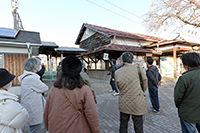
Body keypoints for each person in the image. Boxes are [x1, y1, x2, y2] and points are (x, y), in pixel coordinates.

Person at [44, 55, 100, 133]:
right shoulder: (84, 89)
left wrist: (49, 127)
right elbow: (92, 114)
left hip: (56, 128)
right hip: (78, 128)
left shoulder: (54, 89)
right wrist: (96, 131)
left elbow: (47, 111)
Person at [115, 52, 148, 133]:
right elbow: (145, 84)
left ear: (122, 60)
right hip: (137, 101)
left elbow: (118, 87)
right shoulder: (140, 70)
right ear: (132, 60)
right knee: (138, 125)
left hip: (124, 101)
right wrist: (140, 91)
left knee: (123, 125)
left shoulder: (117, 72)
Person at [18, 57, 48, 133]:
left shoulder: (26, 77)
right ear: (35, 67)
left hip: (29, 105)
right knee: (35, 129)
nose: (40, 66)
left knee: (33, 128)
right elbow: (45, 88)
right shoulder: (32, 78)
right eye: (39, 64)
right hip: (34, 107)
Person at [174, 52, 200, 133]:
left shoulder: (184, 78)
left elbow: (178, 97)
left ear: (187, 64)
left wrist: (180, 107)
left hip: (188, 113)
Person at [0, 68, 29, 133]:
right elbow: (23, 115)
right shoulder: (7, 102)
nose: (11, 82)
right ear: (4, 84)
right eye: (9, 81)